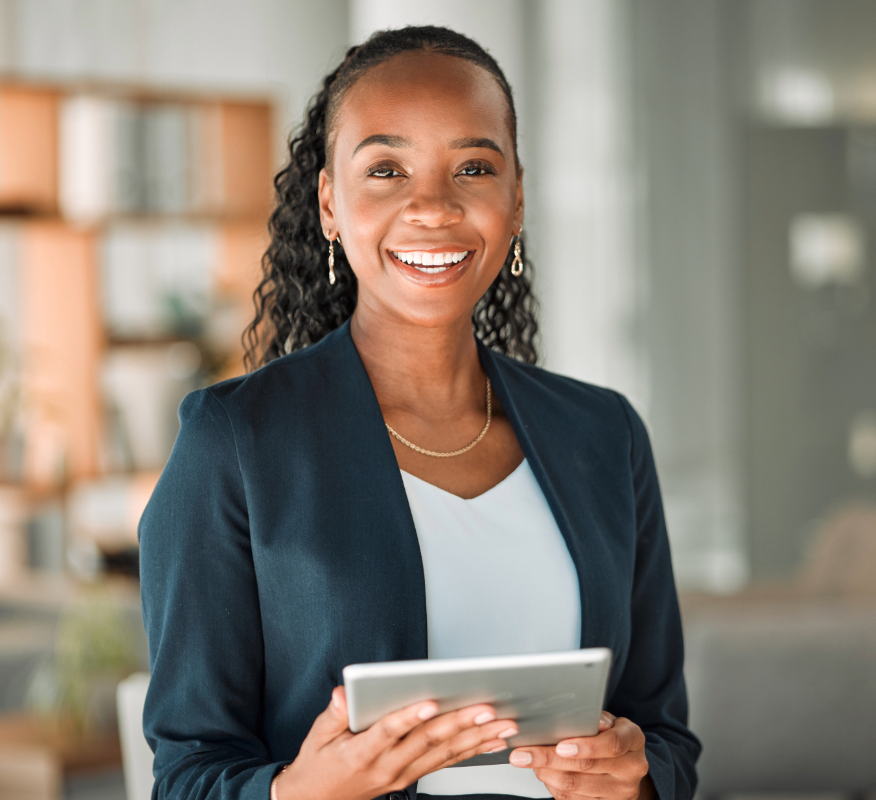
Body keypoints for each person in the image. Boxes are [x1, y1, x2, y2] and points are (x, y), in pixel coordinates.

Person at [139, 25, 699, 800]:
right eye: (386, 169)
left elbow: (663, 735)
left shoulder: (604, 437)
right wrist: (302, 791)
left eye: (473, 167)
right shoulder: (234, 443)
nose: (432, 206)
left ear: (517, 199)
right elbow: (187, 773)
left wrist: (634, 779)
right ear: (330, 204)